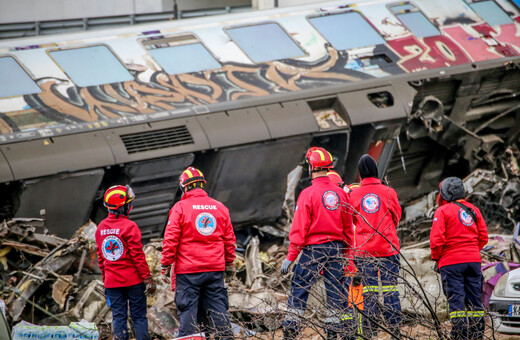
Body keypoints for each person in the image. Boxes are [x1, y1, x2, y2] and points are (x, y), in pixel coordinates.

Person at [281, 147, 355, 340]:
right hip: (337, 249)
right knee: (335, 292)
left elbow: (299, 229)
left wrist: (290, 257)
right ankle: (332, 333)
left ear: (311, 168)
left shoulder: (307, 194)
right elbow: (348, 229)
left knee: (299, 287)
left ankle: (290, 331)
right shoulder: (340, 194)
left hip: (314, 250)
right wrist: (347, 255)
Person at [161, 167, 236, 339]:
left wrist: (165, 264)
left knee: (188, 311)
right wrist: (229, 263)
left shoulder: (179, 208)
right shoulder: (220, 207)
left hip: (188, 272)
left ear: (185, 187)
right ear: (202, 185)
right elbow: (229, 240)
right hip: (214, 270)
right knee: (218, 309)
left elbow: (170, 240)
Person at [349, 154, 402, 337]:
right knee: (391, 289)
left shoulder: (354, 194)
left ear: (361, 173)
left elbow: (352, 221)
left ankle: (371, 330)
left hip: (365, 251)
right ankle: (394, 328)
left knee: (369, 292)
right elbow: (396, 217)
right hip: (388, 248)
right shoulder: (389, 192)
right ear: (376, 170)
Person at [430, 177, 488, 340]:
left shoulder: (442, 211)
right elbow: (483, 237)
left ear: (446, 193)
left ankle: (459, 336)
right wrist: (471, 252)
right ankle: (477, 336)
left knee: (457, 304)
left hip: (451, 263)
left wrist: (437, 259)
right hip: (473, 262)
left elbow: (436, 241)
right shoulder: (474, 210)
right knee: (475, 303)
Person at [95, 185, 156, 340]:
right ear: (122, 207)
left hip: (112, 283)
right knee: (139, 317)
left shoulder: (100, 228)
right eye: (128, 203)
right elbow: (138, 256)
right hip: (133, 282)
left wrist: (106, 279)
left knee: (119, 318)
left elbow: (101, 258)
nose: (130, 205)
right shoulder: (130, 226)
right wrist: (148, 279)